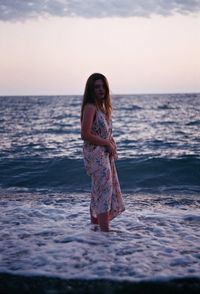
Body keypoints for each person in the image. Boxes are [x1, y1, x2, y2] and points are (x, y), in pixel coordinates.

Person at [81, 73, 125, 232]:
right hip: (96, 156)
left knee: (98, 192)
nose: (100, 90)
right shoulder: (90, 107)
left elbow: (103, 132)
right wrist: (107, 142)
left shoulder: (102, 108)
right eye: (96, 87)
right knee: (104, 192)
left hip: (104, 155)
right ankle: (105, 233)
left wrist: (111, 143)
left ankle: (95, 229)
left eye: (102, 86)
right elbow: (84, 134)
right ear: (91, 90)